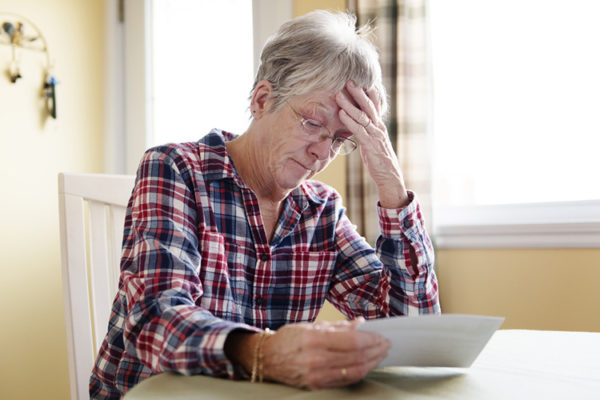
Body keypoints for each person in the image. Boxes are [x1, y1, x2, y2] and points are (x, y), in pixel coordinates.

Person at [90, 10, 440, 399]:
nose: (321, 152)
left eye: (340, 140)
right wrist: (263, 353)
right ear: (261, 99)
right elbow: (155, 319)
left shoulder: (321, 210)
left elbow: (412, 329)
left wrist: (391, 184)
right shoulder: (176, 169)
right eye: (312, 123)